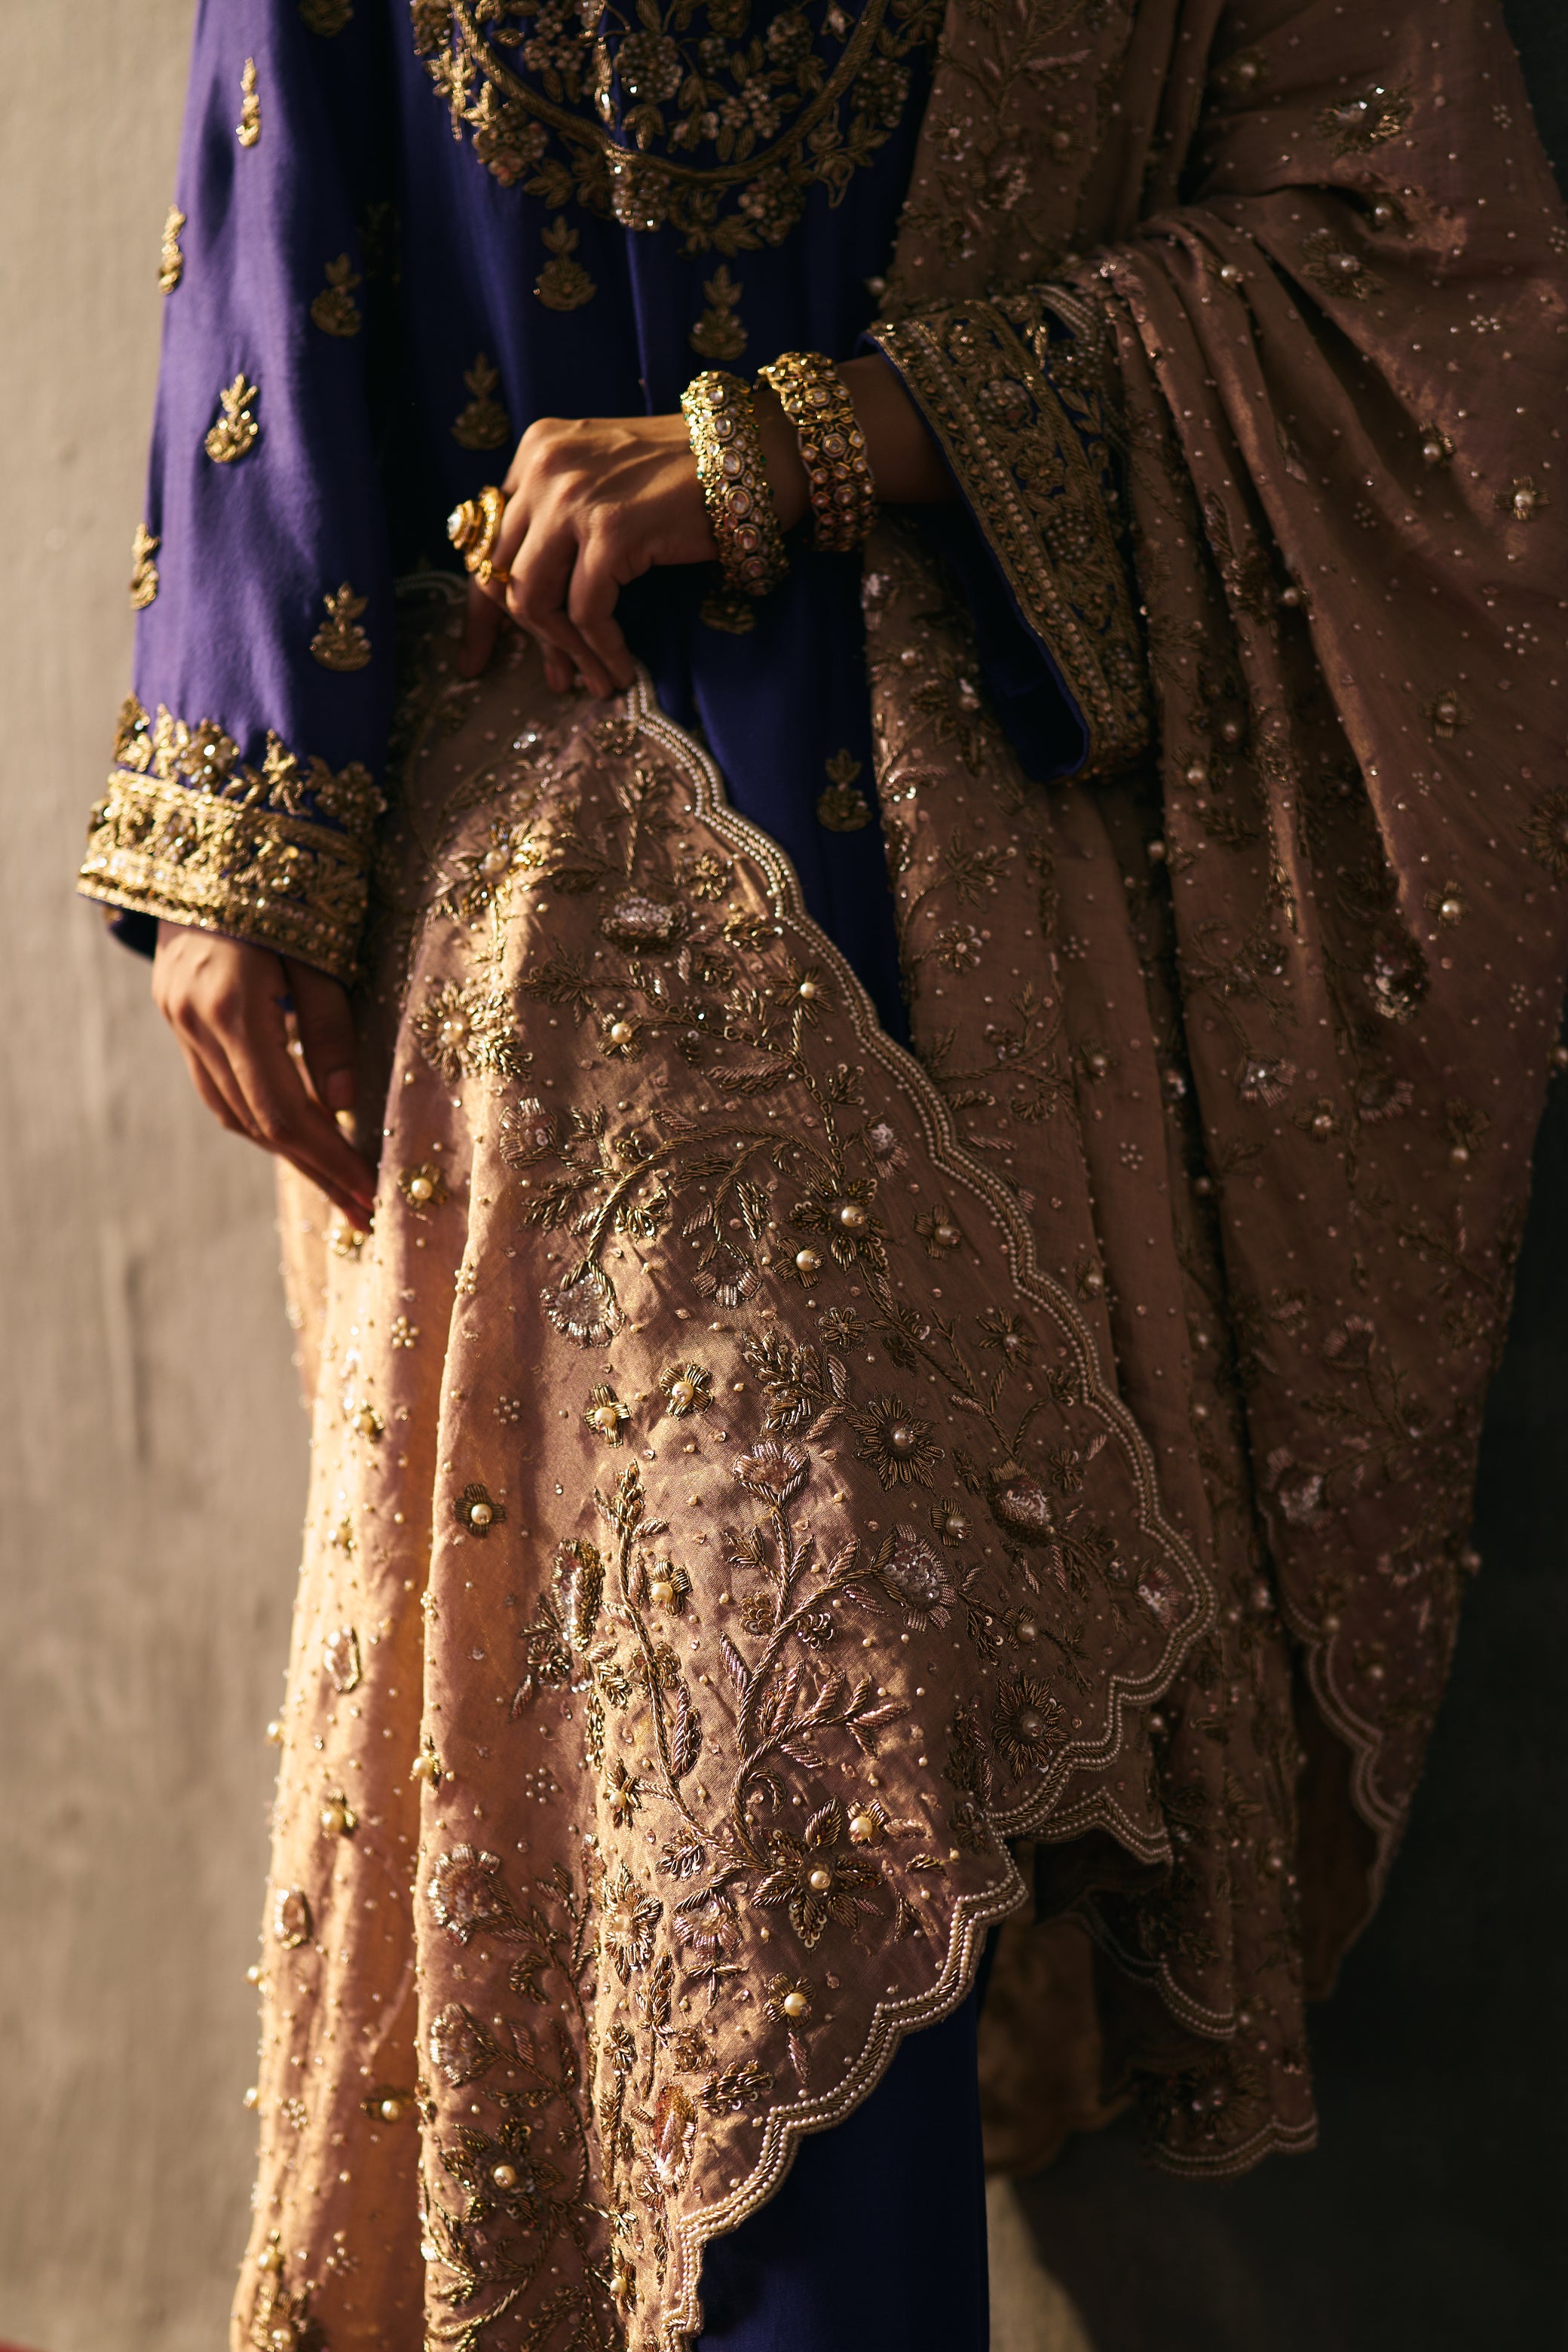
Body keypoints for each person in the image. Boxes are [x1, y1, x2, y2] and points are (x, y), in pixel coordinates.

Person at [77, 2, 1568, 2347]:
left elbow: (1402, 250)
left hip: (991, 916)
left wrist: (817, 434)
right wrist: (239, 786)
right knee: (706, 1838)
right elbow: (277, 154)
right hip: (551, 900)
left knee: (830, 1837)